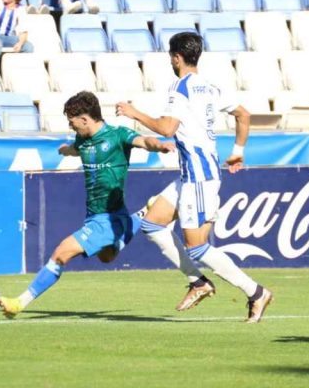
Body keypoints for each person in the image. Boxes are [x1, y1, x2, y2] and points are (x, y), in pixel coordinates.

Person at [116, 32, 274, 323]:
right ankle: (198, 282)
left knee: (198, 247)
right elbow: (244, 115)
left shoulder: (181, 87)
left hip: (198, 178)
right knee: (152, 224)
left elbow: (167, 128)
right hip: (194, 173)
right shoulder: (211, 87)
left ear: (176, 58)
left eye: (170, 56)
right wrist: (238, 151)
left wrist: (134, 113)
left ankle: (256, 292)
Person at [0, 91, 176, 318]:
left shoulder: (118, 135)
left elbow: (144, 141)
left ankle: (19, 303)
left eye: (73, 123)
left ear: (85, 119)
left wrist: (159, 146)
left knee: (61, 253)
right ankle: (140, 216)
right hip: (98, 215)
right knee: (106, 256)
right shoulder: (83, 140)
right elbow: (76, 148)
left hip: (106, 218)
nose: (72, 128)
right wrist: (66, 150)